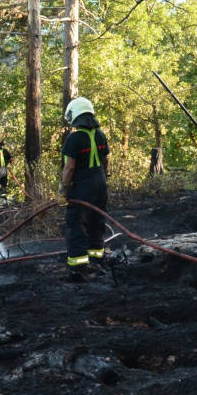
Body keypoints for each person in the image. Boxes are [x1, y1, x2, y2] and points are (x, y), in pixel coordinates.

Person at [60, 97, 109, 279]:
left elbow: (69, 167)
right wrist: (102, 178)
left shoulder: (74, 138)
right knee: (97, 221)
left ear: (75, 115)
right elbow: (105, 161)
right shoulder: (100, 135)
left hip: (82, 186)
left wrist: (63, 190)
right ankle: (97, 261)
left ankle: (78, 267)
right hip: (100, 183)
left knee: (76, 223)